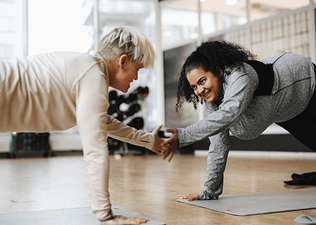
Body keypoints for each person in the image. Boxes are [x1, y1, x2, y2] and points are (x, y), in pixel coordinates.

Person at [0, 27, 164, 224]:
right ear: (123, 61)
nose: (136, 77)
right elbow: (95, 148)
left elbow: (103, 122)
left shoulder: (87, 68)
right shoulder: (92, 74)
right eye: (138, 69)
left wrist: (147, 141)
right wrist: (105, 215)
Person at [161, 40, 316, 201]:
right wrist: (209, 191)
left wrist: (183, 136)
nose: (199, 90)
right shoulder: (213, 105)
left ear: (219, 71)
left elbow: (229, 113)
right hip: (288, 109)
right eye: (194, 87)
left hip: (306, 80)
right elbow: (218, 146)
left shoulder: (240, 75)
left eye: (202, 81)